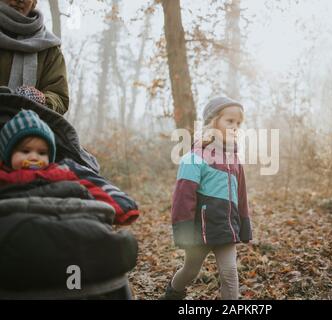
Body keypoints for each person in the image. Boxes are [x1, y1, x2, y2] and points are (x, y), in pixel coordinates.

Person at [161, 96, 253, 300]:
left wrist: (244, 224)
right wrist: (183, 231)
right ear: (213, 122)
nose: (235, 127)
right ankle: (172, 294)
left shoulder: (235, 159)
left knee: (230, 273)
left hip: (225, 228)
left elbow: (241, 196)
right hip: (199, 230)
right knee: (190, 271)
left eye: (238, 123)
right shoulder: (194, 157)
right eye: (229, 121)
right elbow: (182, 198)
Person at [0, 109, 140, 225]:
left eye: (42, 153)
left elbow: (94, 186)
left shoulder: (61, 172)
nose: (34, 157)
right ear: (8, 155)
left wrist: (121, 209)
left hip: (56, 225)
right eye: (25, 151)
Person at [0, 0, 69, 114]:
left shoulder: (49, 49)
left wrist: (40, 100)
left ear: (34, 2)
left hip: (27, 129)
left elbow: (59, 97)